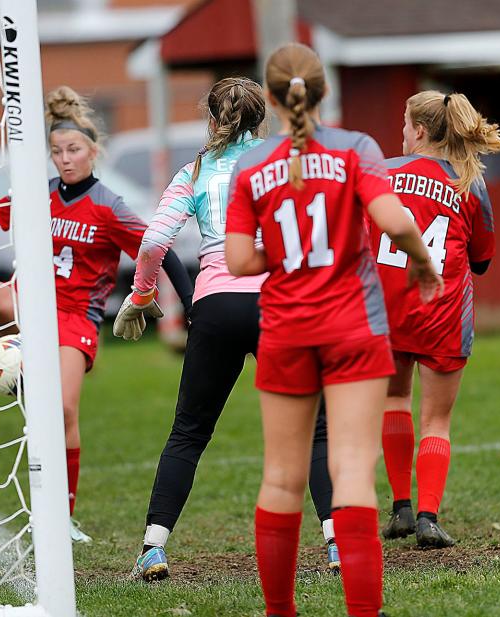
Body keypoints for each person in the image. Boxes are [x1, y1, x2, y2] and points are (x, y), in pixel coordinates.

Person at [0, 86, 194, 543]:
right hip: (29, 298)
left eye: (74, 150)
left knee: (62, 410)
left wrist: (190, 305)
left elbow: (158, 249)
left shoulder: (108, 207)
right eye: (57, 151)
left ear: (94, 151)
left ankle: (64, 515)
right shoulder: (40, 195)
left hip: (76, 317)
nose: (65, 159)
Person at [224, 43, 443, 617]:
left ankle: (280, 611)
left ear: (270, 100)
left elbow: (240, 262)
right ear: (325, 92)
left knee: (280, 478)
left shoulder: (250, 167)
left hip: (287, 329)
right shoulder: (358, 149)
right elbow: (392, 219)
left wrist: (288, 245)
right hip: (354, 327)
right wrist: (422, 262)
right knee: (350, 473)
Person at [116, 77, 339, 581]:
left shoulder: (194, 170)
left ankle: (153, 548)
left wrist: (142, 295)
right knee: (317, 429)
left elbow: (153, 244)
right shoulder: (287, 162)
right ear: (261, 120)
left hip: (216, 304)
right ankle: (337, 543)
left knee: (189, 431)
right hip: (280, 304)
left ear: (213, 119)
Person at [373, 91, 500, 548]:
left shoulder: (383, 173)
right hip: (442, 312)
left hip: (388, 311)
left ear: (422, 131)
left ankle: (400, 510)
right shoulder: (469, 182)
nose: (402, 132)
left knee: (394, 402)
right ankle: (429, 516)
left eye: (406, 124)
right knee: (437, 421)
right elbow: (483, 258)